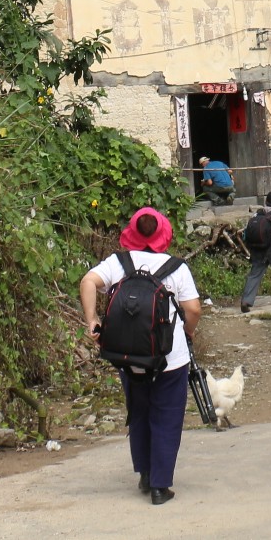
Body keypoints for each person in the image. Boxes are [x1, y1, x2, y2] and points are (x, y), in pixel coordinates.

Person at [79, 207, 202, 504]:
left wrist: (92, 320)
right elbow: (194, 309)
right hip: (169, 358)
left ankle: (145, 474)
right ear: (163, 234)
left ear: (132, 233)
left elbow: (87, 282)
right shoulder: (176, 267)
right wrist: (187, 332)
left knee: (140, 412)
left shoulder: (118, 263)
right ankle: (160, 486)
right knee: (167, 416)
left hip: (127, 355)